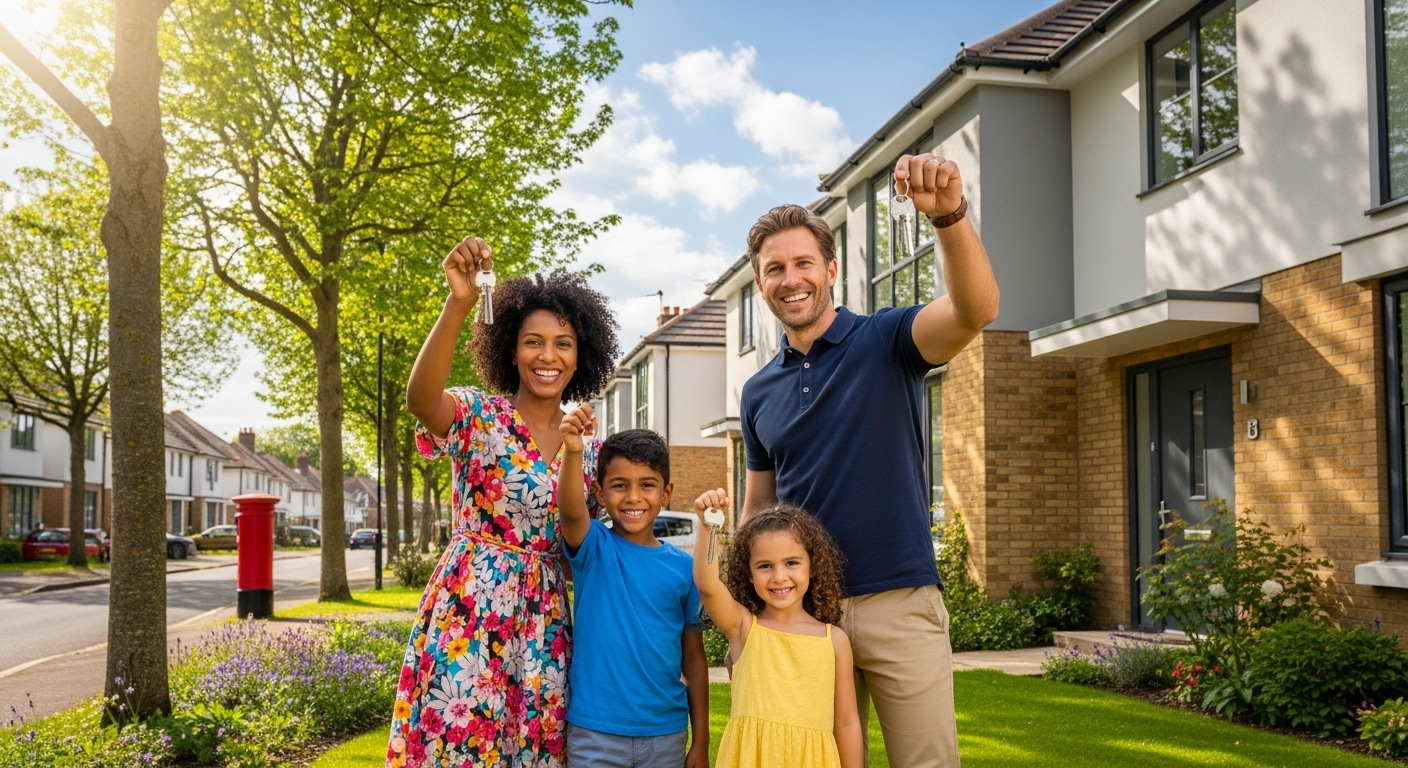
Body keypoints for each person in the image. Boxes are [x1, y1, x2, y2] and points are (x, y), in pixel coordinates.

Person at [738, 154, 999, 767]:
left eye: (804, 262)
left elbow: (975, 311)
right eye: (774, 268)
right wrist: (750, 614)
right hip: (806, 612)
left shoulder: (885, 340)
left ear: (830, 270)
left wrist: (950, 217)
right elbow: (760, 508)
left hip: (899, 602)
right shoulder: (756, 392)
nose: (790, 278)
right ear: (760, 284)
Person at [389, 237, 619, 768]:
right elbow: (421, 400)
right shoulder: (478, 416)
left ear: (580, 355)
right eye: (533, 341)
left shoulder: (591, 452)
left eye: (563, 343)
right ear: (510, 350)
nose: (548, 356)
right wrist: (459, 303)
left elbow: (596, 547)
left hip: (545, 625)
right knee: (459, 746)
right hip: (471, 609)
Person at [556, 421, 710, 768]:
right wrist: (574, 450)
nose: (634, 497)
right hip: (595, 734)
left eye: (647, 485)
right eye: (620, 485)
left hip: (665, 735)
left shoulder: (685, 569)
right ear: (599, 492)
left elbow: (694, 659)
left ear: (666, 493)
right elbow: (569, 511)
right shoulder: (594, 545)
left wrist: (701, 741)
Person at [691, 488, 863, 768]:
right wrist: (708, 526)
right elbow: (708, 587)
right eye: (765, 566)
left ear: (812, 566)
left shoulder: (834, 641)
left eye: (792, 563)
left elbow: (846, 722)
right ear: (748, 574)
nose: (779, 577)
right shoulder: (743, 627)